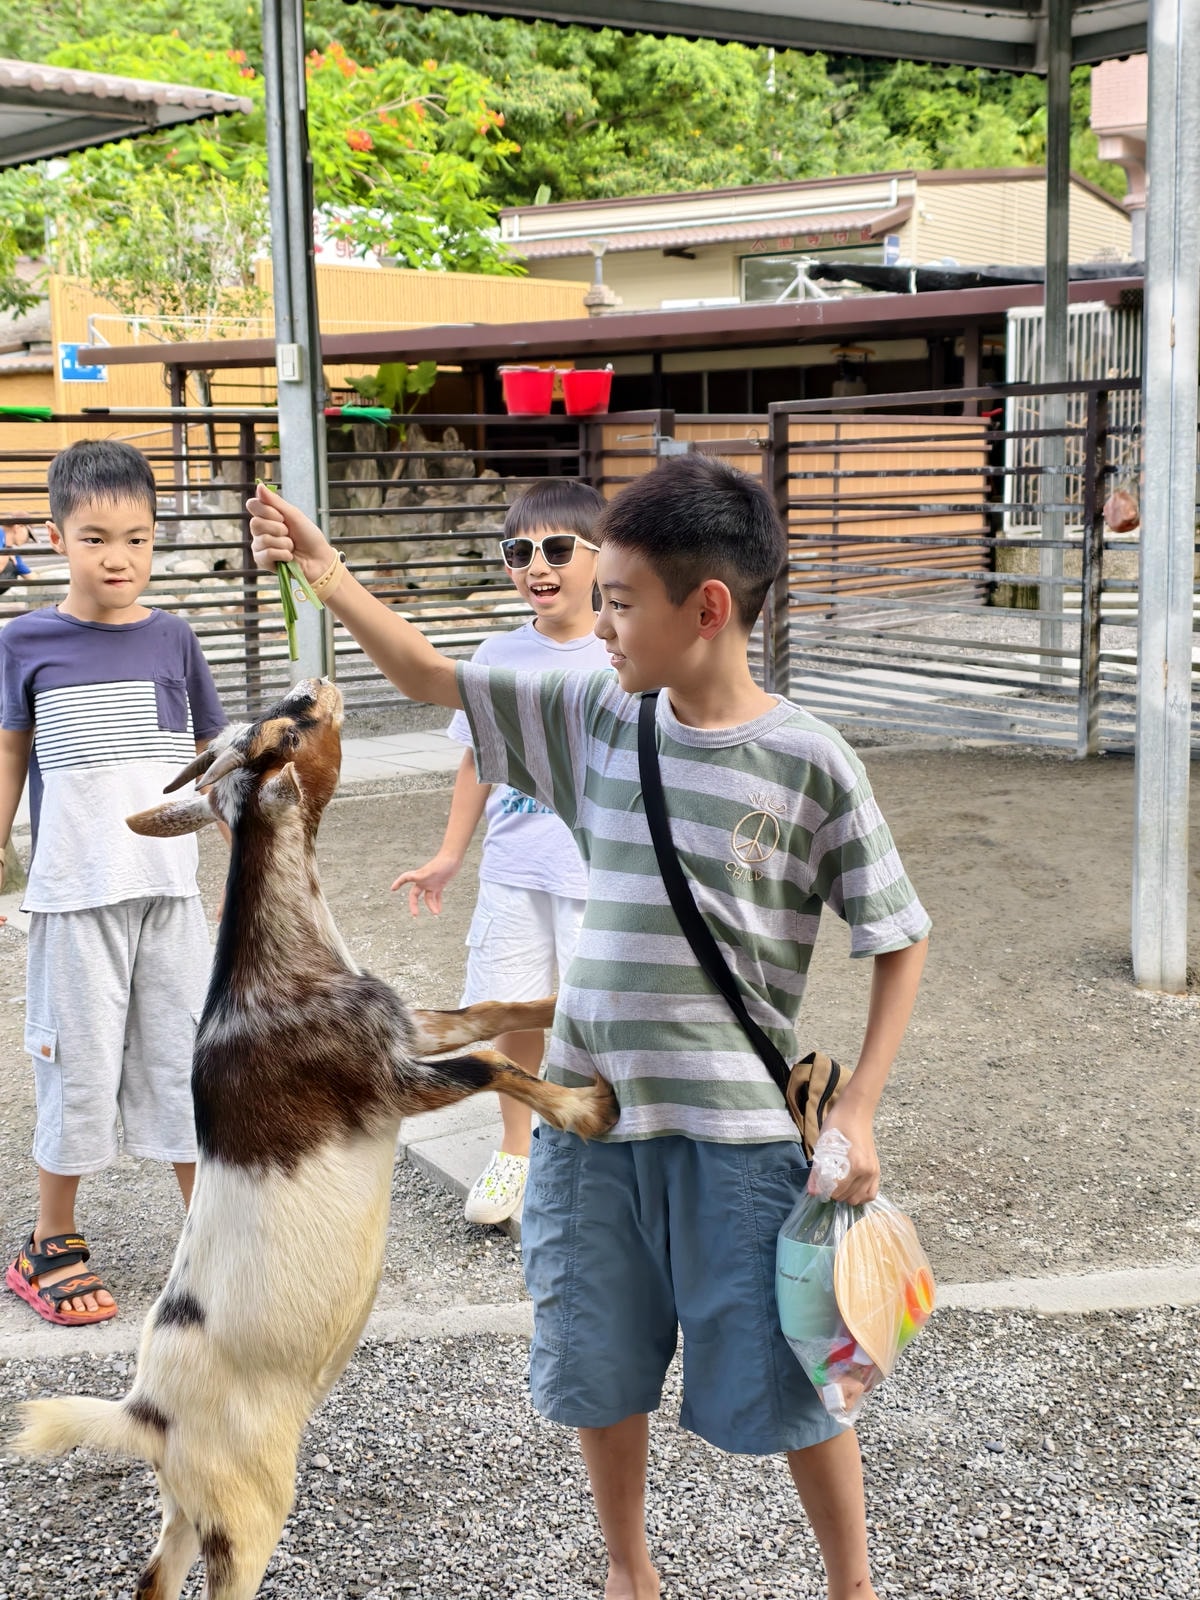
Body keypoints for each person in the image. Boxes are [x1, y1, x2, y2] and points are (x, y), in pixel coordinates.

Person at [248, 456, 930, 1600]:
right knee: (597, 1360)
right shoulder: (597, 716)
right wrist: (329, 575)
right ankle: (629, 1572)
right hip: (587, 1123)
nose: (597, 621)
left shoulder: (812, 763)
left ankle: (852, 1584)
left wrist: (856, 1108)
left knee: (796, 1368)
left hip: (741, 1141)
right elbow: (429, 677)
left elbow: (898, 933)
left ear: (706, 609)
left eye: (618, 600)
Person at [0, 439, 227, 1327]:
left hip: (168, 891)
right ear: (56, 536)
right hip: (73, 893)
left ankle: (211, 1238)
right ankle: (50, 1240)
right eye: (96, 538)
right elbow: (10, 755)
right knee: (79, 1068)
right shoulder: (24, 641)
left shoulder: (174, 636)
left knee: (186, 1062)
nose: (118, 558)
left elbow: (211, 759)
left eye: (137, 538)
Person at [392, 478, 610, 1225]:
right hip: (515, 870)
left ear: (600, 556)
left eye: (556, 549)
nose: (536, 567)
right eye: (519, 551)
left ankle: (590, 1144)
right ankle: (515, 1150)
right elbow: (474, 761)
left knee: (592, 1011)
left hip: (597, 875)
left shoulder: (621, 648)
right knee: (512, 1006)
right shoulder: (496, 652)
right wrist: (450, 854)